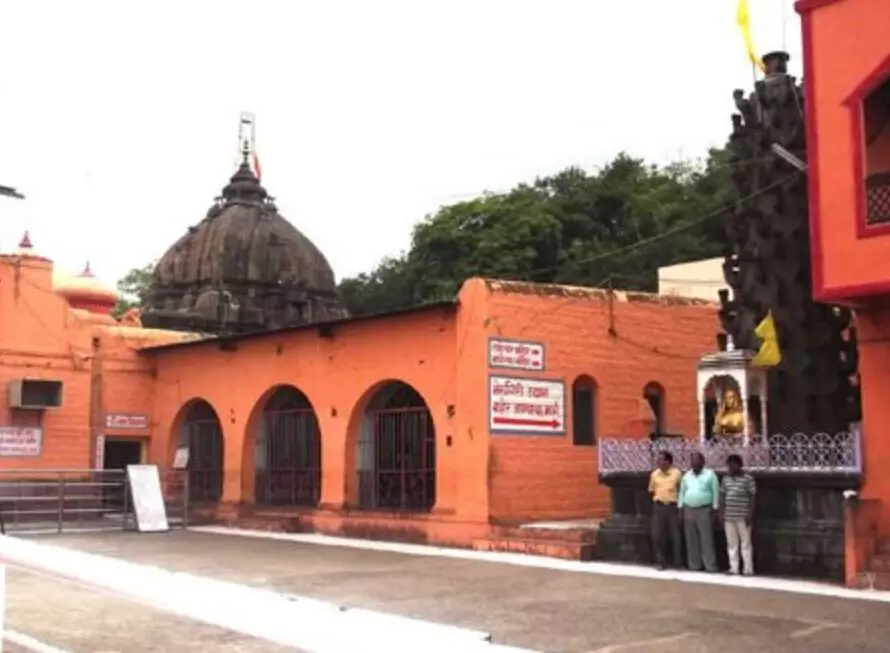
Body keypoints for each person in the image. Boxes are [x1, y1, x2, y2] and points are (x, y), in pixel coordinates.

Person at [678, 452, 720, 572]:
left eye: (697, 460)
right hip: (688, 509)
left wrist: (715, 509)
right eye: (692, 461)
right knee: (691, 539)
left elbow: (715, 492)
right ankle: (694, 565)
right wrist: (680, 508)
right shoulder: (686, 476)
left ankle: (710, 566)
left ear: (703, 462)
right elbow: (682, 492)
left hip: (705, 509)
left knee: (707, 538)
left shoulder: (710, 475)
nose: (694, 463)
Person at [721, 454, 756, 575]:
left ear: (739, 464)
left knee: (746, 543)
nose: (730, 467)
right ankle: (733, 568)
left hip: (743, 516)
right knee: (732, 544)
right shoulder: (725, 479)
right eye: (728, 465)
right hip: (729, 516)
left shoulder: (748, 479)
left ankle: (748, 569)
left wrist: (750, 514)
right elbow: (722, 496)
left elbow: (752, 497)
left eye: (732, 464)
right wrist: (722, 513)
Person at [648, 451, 683, 570]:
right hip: (659, 507)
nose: (659, 462)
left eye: (662, 460)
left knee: (675, 536)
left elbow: (681, 490)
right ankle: (660, 561)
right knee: (657, 535)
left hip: (672, 507)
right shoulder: (654, 474)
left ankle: (678, 562)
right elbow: (651, 490)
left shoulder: (677, 474)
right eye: (658, 460)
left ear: (669, 461)